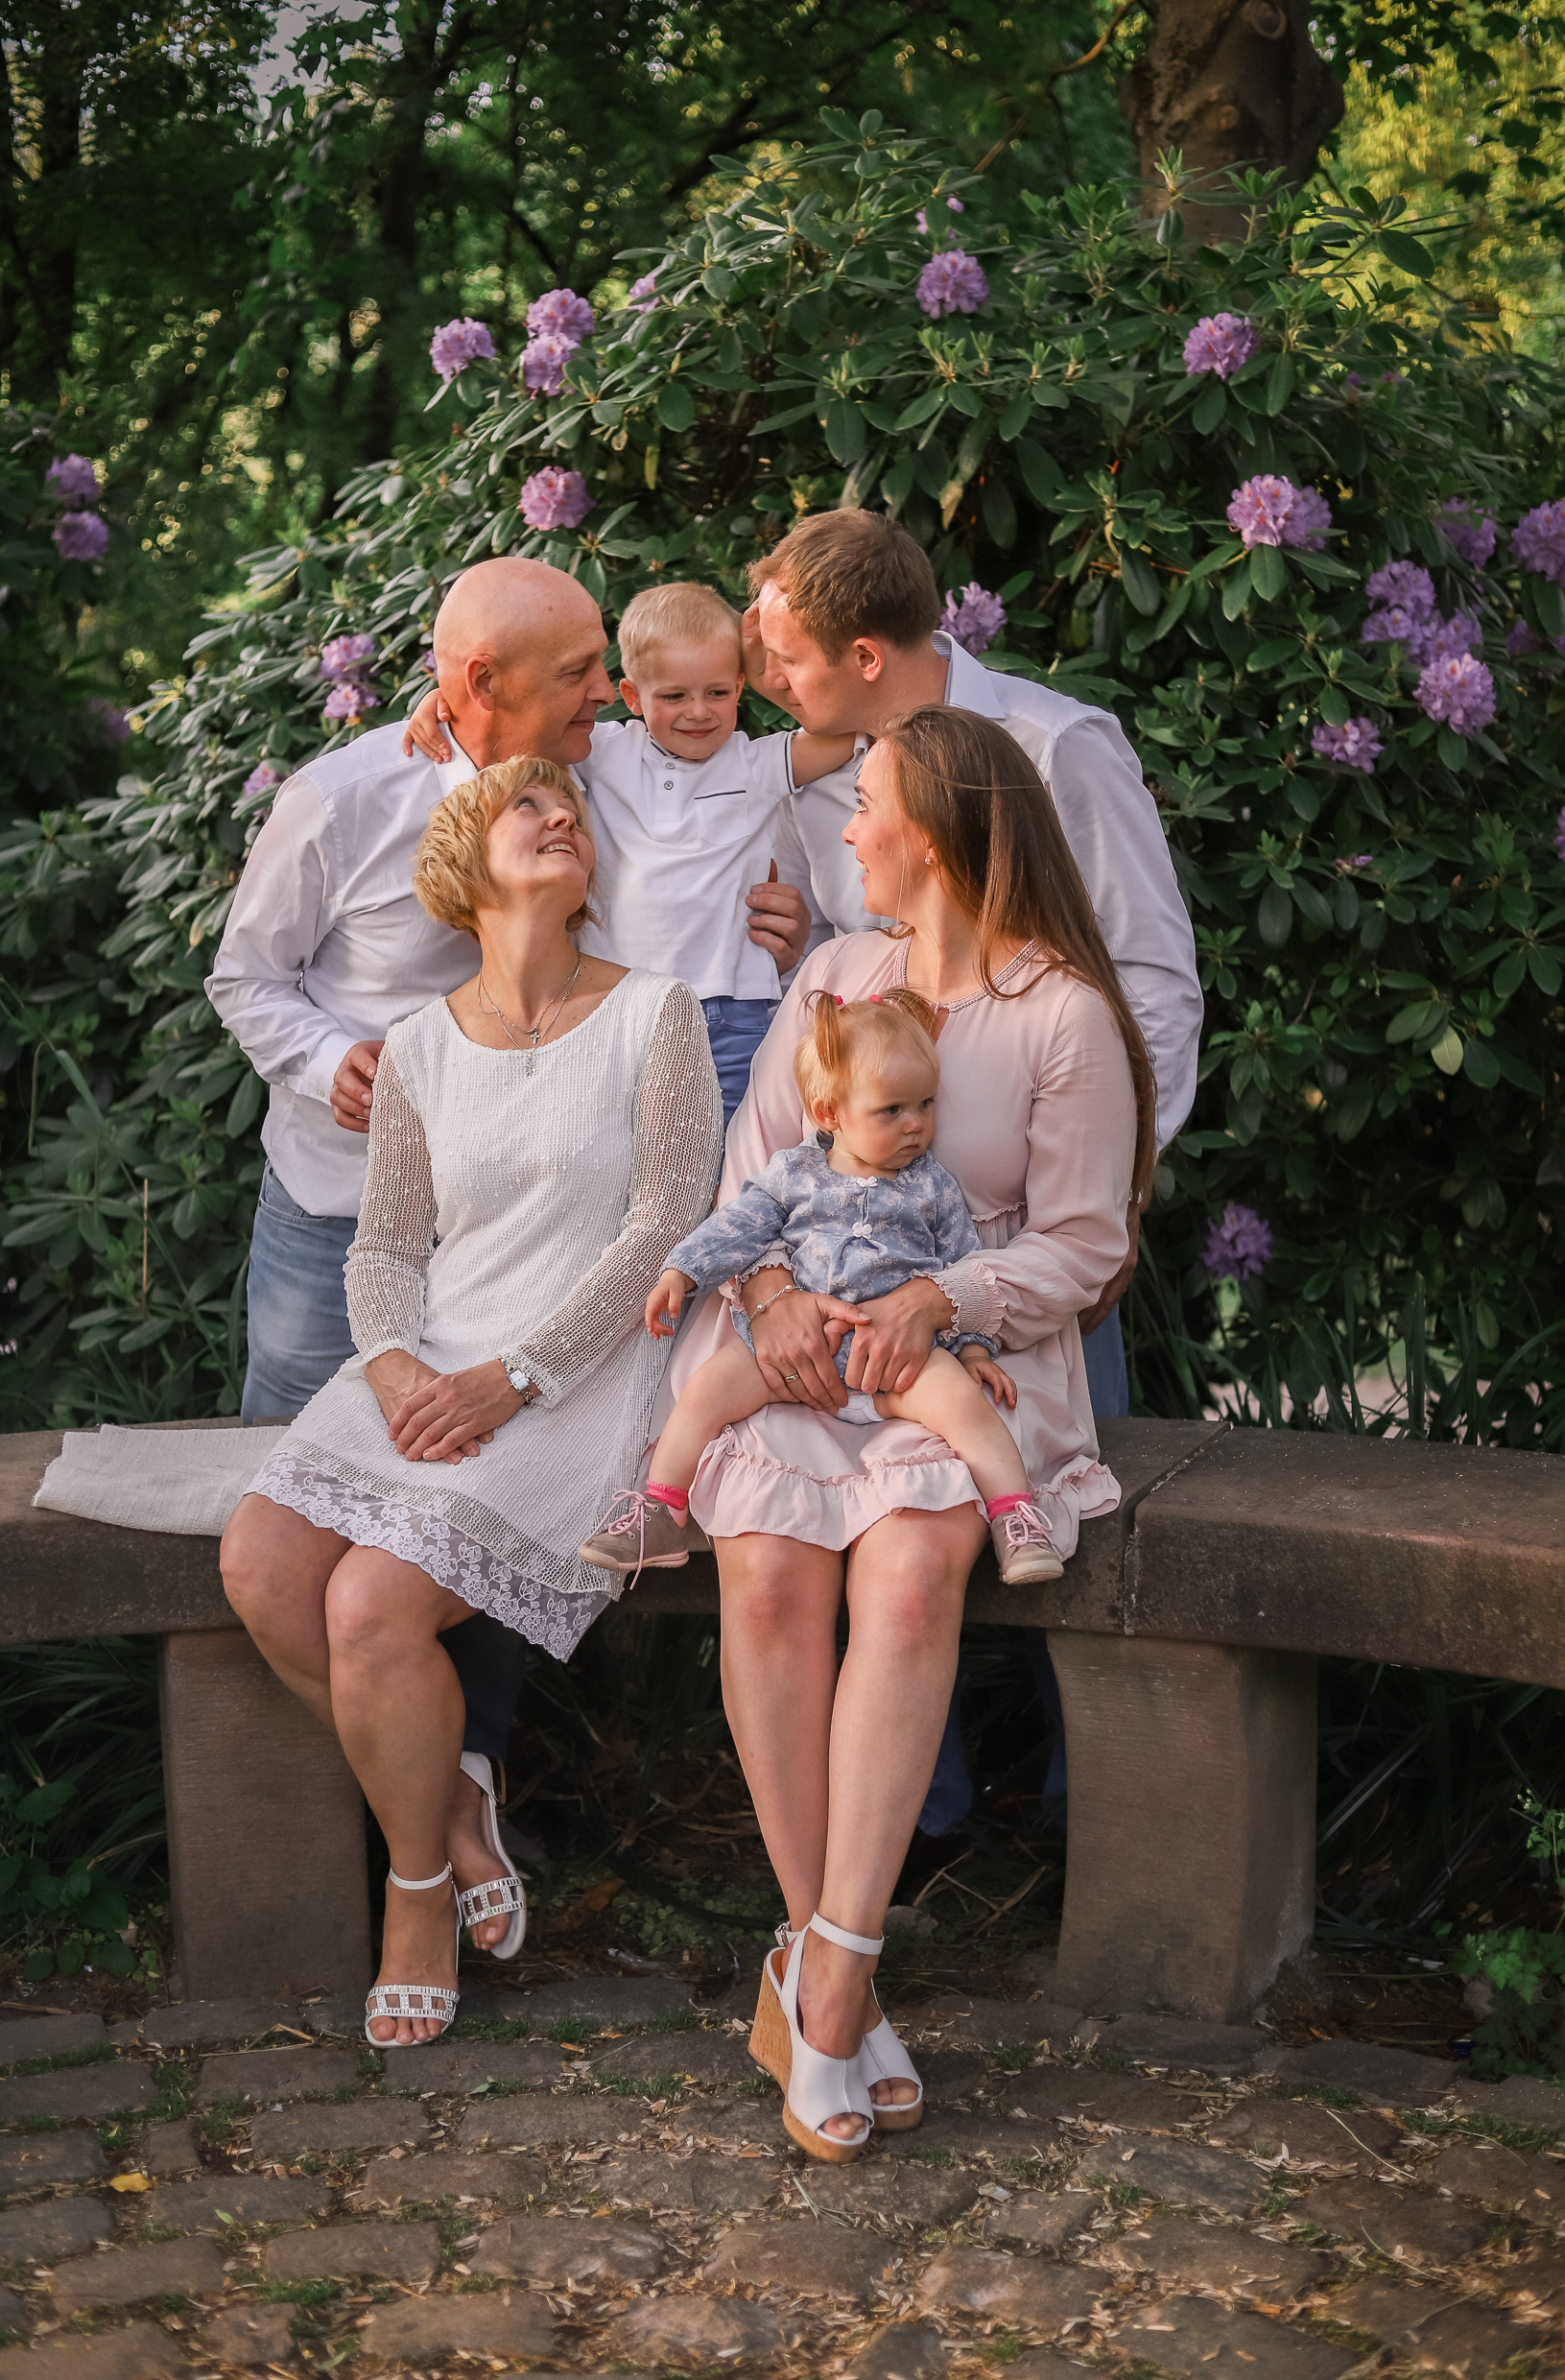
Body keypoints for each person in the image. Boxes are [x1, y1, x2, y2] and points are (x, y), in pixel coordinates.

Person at [205, 557, 805, 1945]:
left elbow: (734, 861)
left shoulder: (611, 784)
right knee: (287, 1548)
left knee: (416, 1572)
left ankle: (441, 1822)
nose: (608, 695)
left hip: (559, 1252)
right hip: (348, 1210)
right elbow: (247, 973)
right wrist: (332, 1062)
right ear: (479, 684)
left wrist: (790, 928)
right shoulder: (344, 799)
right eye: (581, 672)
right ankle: (441, 1822)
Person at [660, 705, 1154, 2156]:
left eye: (864, 802)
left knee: (914, 1573)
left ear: (930, 834)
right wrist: (770, 1297)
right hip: (805, 1344)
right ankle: (834, 1967)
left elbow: (1086, 1241)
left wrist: (944, 1296)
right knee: (764, 1573)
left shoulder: (1062, 1011)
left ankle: (826, 1985)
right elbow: (755, 1172)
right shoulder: (835, 976)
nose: (849, 829)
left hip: (966, 1362)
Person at [218, 755, 722, 2046]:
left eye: (571, 808)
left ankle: (416, 1893)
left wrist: (517, 1377)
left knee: (371, 1607)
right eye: (525, 807)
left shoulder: (656, 1011)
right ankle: (452, 1813)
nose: (560, 817)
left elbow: (667, 1223)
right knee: (263, 1564)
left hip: (586, 1375)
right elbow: (385, 1247)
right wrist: (394, 1368)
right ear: (461, 864)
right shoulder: (421, 1046)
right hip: (432, 1357)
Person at [742, 509, 1202, 1836]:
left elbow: (1150, 984)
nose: (770, 681)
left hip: (1023, 1213)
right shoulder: (824, 773)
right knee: (876, 1520)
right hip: (862, 1234)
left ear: (867, 655)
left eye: (789, 658)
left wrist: (1101, 1188)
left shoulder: (1057, 747)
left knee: (1056, 1521)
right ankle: (919, 1824)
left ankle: (1098, 1820)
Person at [581, 986, 1061, 1587]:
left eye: (925, 1104)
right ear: (830, 1113)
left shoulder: (932, 1185)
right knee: (705, 1392)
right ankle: (661, 1510)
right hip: (791, 1358)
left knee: (967, 1407)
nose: (916, 1124)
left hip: (898, 1362)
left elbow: (962, 1268)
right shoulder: (794, 1173)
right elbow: (739, 1225)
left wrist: (972, 1352)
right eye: (891, 1110)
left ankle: (1015, 1516)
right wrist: (683, 1269)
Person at [404, 578, 849, 1116]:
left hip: (731, 1007)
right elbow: (509, 726)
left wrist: (766, 675)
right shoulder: (607, 751)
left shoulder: (755, 763)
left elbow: (845, 731)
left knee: (729, 1151)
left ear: (738, 688)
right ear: (633, 698)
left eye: (717, 692)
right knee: (627, 1145)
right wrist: (443, 703)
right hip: (621, 1006)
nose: (698, 712)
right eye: (674, 696)